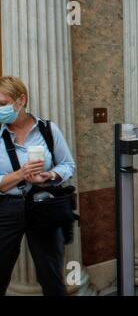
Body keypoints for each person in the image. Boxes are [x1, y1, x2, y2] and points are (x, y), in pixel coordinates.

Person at [0, 76, 76, 296]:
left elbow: (68, 165)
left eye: (3, 104)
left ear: (21, 100)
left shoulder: (48, 129)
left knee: (51, 275)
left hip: (44, 206)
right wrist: (20, 174)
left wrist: (50, 175)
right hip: (6, 207)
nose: (0, 109)